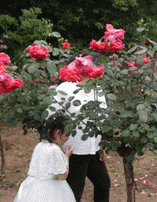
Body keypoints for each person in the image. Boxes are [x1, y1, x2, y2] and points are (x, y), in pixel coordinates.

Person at [47, 54, 110, 202]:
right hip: (74, 149)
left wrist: (102, 145)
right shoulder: (64, 89)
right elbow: (52, 117)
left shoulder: (97, 89)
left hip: (93, 148)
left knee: (103, 183)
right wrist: (57, 148)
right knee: (74, 192)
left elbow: (102, 118)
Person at [14, 112, 76, 202]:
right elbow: (62, 176)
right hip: (51, 191)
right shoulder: (55, 150)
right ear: (58, 132)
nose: (68, 137)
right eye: (67, 133)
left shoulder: (40, 145)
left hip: (33, 189)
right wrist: (66, 156)